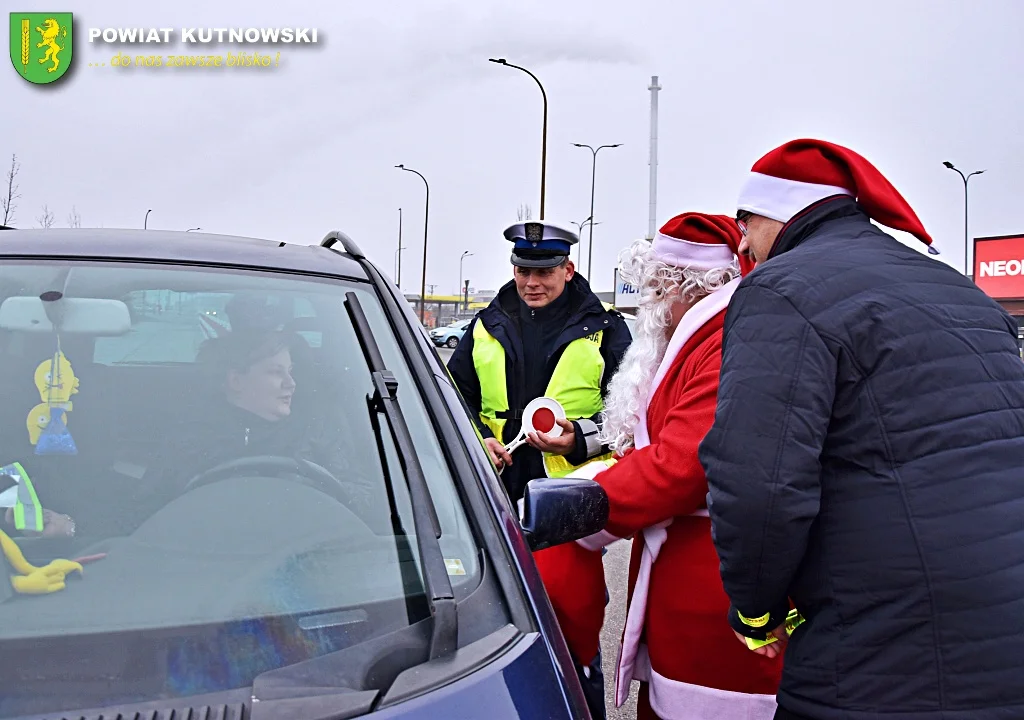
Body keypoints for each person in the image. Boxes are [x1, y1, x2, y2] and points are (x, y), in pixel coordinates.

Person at [698, 138, 1024, 720]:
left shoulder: (780, 291)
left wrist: (756, 610)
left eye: (745, 222)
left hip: (887, 653)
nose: (741, 241)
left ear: (784, 213)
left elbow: (758, 484)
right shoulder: (955, 286)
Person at [571, 213, 779, 720]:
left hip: (711, 583)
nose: (651, 304)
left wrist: (586, 503)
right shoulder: (700, 335)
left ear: (690, 286)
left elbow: (682, 466)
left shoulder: (728, 339)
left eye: (658, 288)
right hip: (685, 579)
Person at [446, 220, 632, 720]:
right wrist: (476, 439)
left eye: (545, 271)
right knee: (491, 621)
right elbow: (451, 398)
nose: (533, 281)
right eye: (524, 269)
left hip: (570, 504)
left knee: (571, 622)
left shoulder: (607, 329)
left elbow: (633, 417)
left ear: (568, 270)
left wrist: (577, 437)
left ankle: (581, 697)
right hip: (496, 494)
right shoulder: (486, 324)